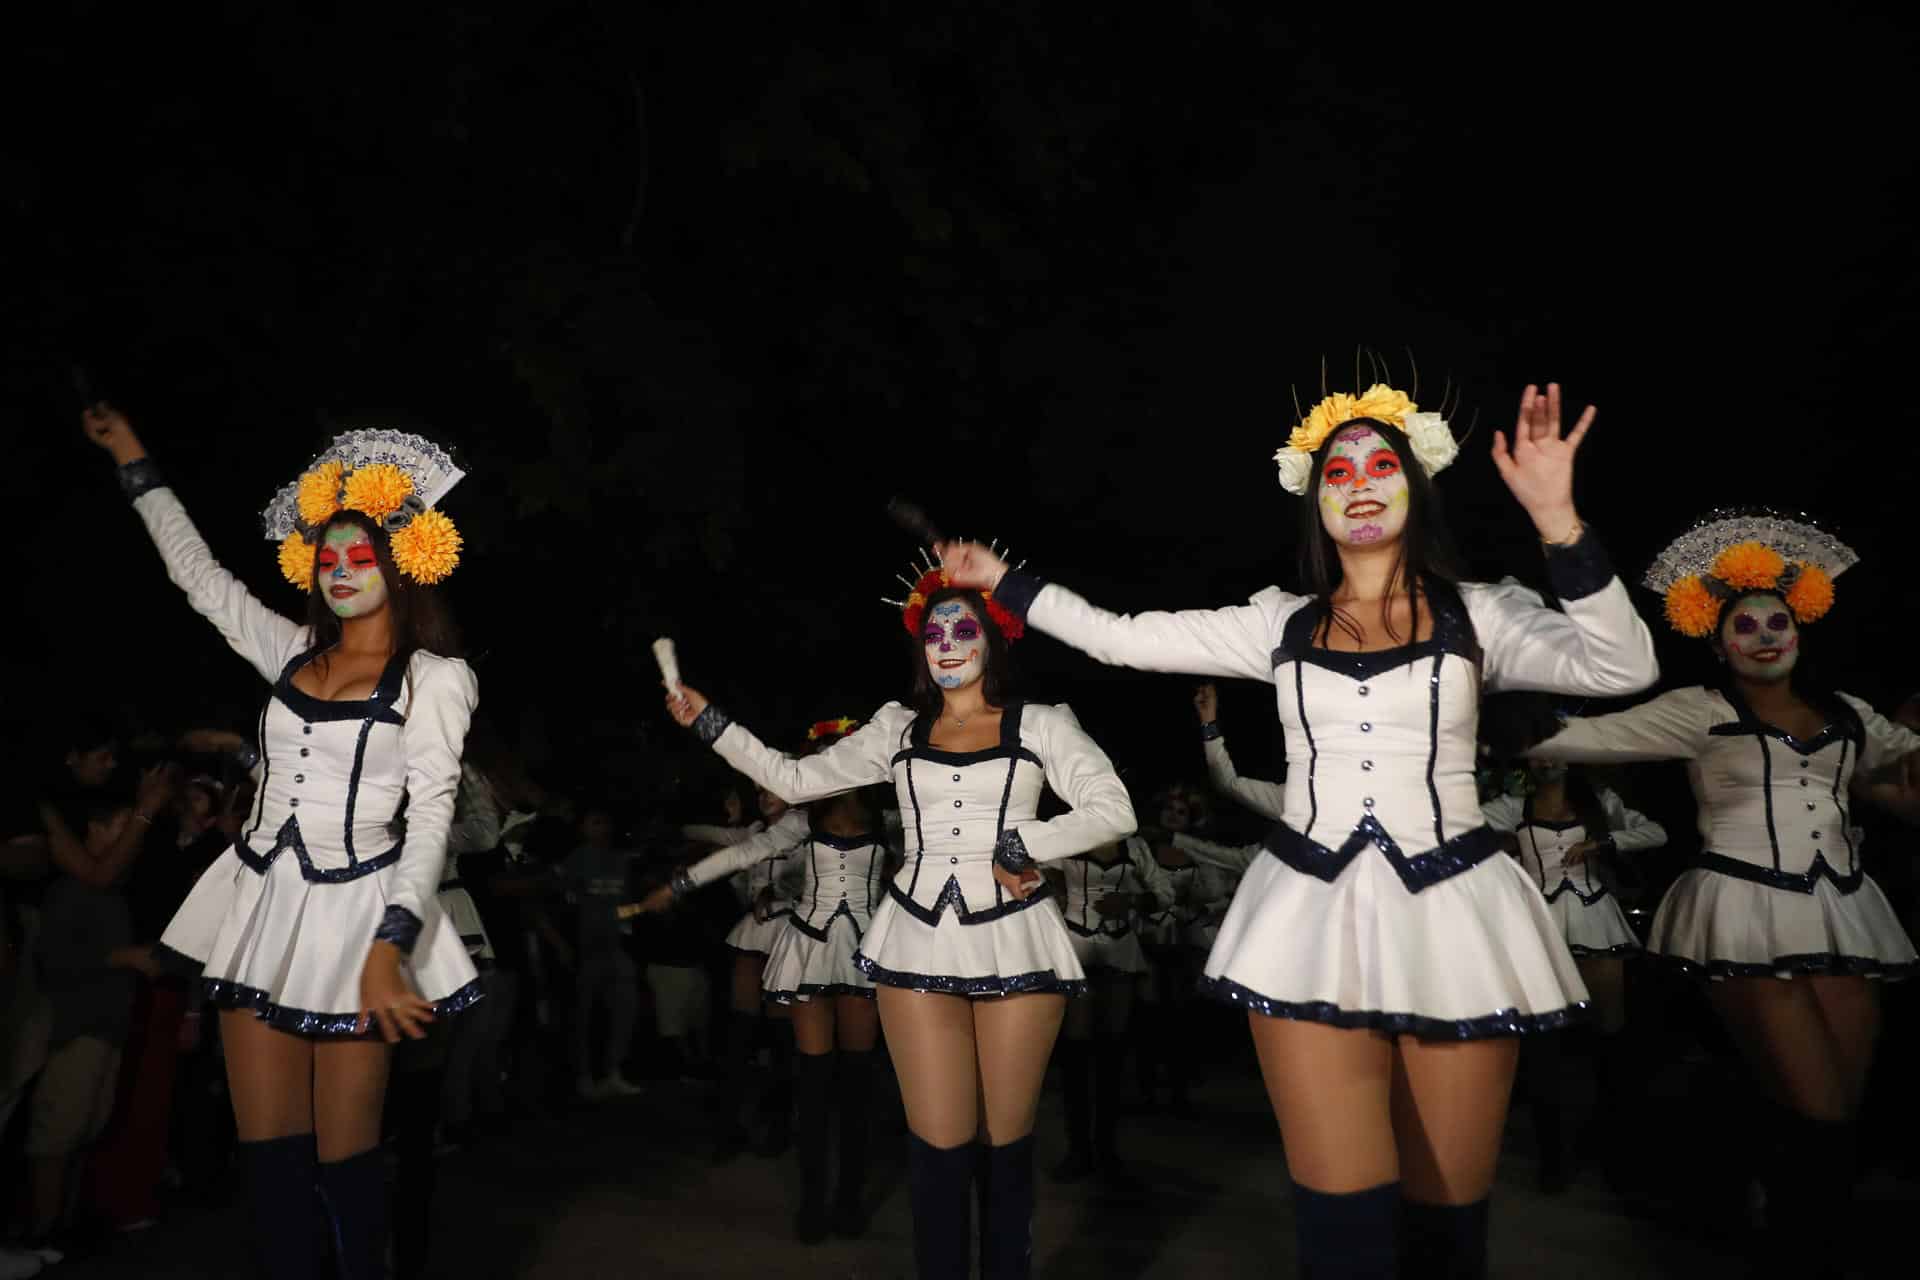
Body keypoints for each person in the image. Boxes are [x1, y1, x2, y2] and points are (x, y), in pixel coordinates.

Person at [935, 382, 1657, 1278]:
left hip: (1457, 916)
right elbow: (1118, 637)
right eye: (1337, 472)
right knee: (1341, 1235)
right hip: (1311, 918)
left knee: (1446, 1235)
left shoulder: (1483, 613)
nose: (1359, 483)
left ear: (1416, 485)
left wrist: (1557, 520)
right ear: (1314, 501)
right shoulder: (1277, 622)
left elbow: (1624, 666)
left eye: (1381, 464)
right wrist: (1002, 581)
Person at [79, 407, 481, 1278]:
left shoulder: (436, 679)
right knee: (272, 1167)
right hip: (261, 906)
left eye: (360, 557)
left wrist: (391, 946)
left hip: (360, 920)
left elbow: (431, 818)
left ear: (402, 564)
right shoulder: (292, 650)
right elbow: (198, 577)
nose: (341, 572)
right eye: (328, 559)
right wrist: (134, 459)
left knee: (348, 1167)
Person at [665, 555, 1136, 1280]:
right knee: (938, 1146)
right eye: (934, 633)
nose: (946, 643)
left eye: (963, 629)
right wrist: (710, 723)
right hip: (915, 938)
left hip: (1015, 940)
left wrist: (1024, 844)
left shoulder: (1042, 724)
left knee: (1004, 1143)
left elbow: (1113, 810)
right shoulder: (896, 729)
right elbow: (793, 778)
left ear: (993, 638)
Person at [1527, 510, 1920, 1276]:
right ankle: (1796, 1236)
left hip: (1844, 911)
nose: (1766, 636)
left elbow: (1905, 773)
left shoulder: (1850, 715)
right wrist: (1469, 701)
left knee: (1840, 1112)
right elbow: (1573, 737)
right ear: (1717, 643)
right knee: (1818, 1110)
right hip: (1743, 910)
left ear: (1801, 629)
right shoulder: (1698, 711)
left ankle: (1773, 1208)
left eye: (1778, 622)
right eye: (1745, 625)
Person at [645, 718, 893, 1241]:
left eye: (838, 754)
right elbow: (742, 852)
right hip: (809, 949)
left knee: (857, 1084)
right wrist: (679, 884)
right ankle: (813, 1202)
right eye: (823, 756)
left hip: (865, 954)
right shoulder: (801, 820)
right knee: (814, 1084)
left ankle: (849, 1199)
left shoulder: (888, 818)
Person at [1481, 755, 1666, 1191]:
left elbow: (1657, 832)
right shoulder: (1513, 806)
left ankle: (1613, 1146)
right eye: (1540, 753)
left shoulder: (1600, 802)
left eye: (1557, 752)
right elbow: (1461, 823)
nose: (1548, 761)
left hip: (1595, 920)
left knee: (1609, 1036)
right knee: (1544, 1042)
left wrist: (1605, 844)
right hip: (1538, 924)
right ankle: (1553, 1156)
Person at [678, 781, 805, 1159]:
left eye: (772, 788)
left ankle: (779, 1124)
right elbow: (696, 831)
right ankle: (730, 1127)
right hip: (755, 928)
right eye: (760, 790)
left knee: (781, 1034)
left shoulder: (807, 828)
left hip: (792, 930)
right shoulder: (752, 833)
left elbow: (818, 874)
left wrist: (780, 890)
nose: (765, 796)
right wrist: (729, 821)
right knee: (740, 1029)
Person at [1044, 834, 1171, 1182]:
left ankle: (1106, 1148)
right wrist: (1055, 898)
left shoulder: (1134, 846)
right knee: (1077, 1050)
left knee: (1112, 1051)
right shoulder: (1067, 837)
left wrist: (1132, 900)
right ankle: (1079, 1149)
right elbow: (1033, 875)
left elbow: (1164, 891)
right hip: (1076, 945)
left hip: (1120, 947)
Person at [561, 804, 646, 1101]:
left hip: (616, 946)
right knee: (584, 1014)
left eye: (604, 822)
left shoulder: (620, 860)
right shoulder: (575, 860)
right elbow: (563, 902)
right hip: (586, 947)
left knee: (623, 1009)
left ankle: (613, 1072)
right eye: (595, 822)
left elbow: (630, 902)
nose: (602, 828)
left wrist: (627, 924)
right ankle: (584, 1076)